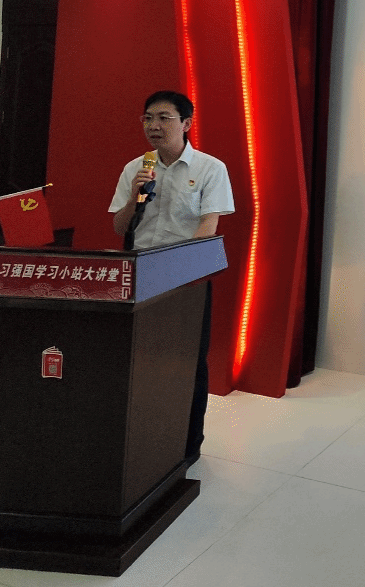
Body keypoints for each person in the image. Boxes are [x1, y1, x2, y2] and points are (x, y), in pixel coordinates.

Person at [108, 90, 234, 463]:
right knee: (140, 360)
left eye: (164, 118)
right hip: (140, 275)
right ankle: (143, 441)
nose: (154, 125)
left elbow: (208, 227)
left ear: (186, 123)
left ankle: (187, 445)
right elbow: (119, 227)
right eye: (148, 118)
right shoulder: (135, 169)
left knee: (187, 362)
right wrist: (134, 197)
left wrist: (178, 273)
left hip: (186, 280)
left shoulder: (210, 168)